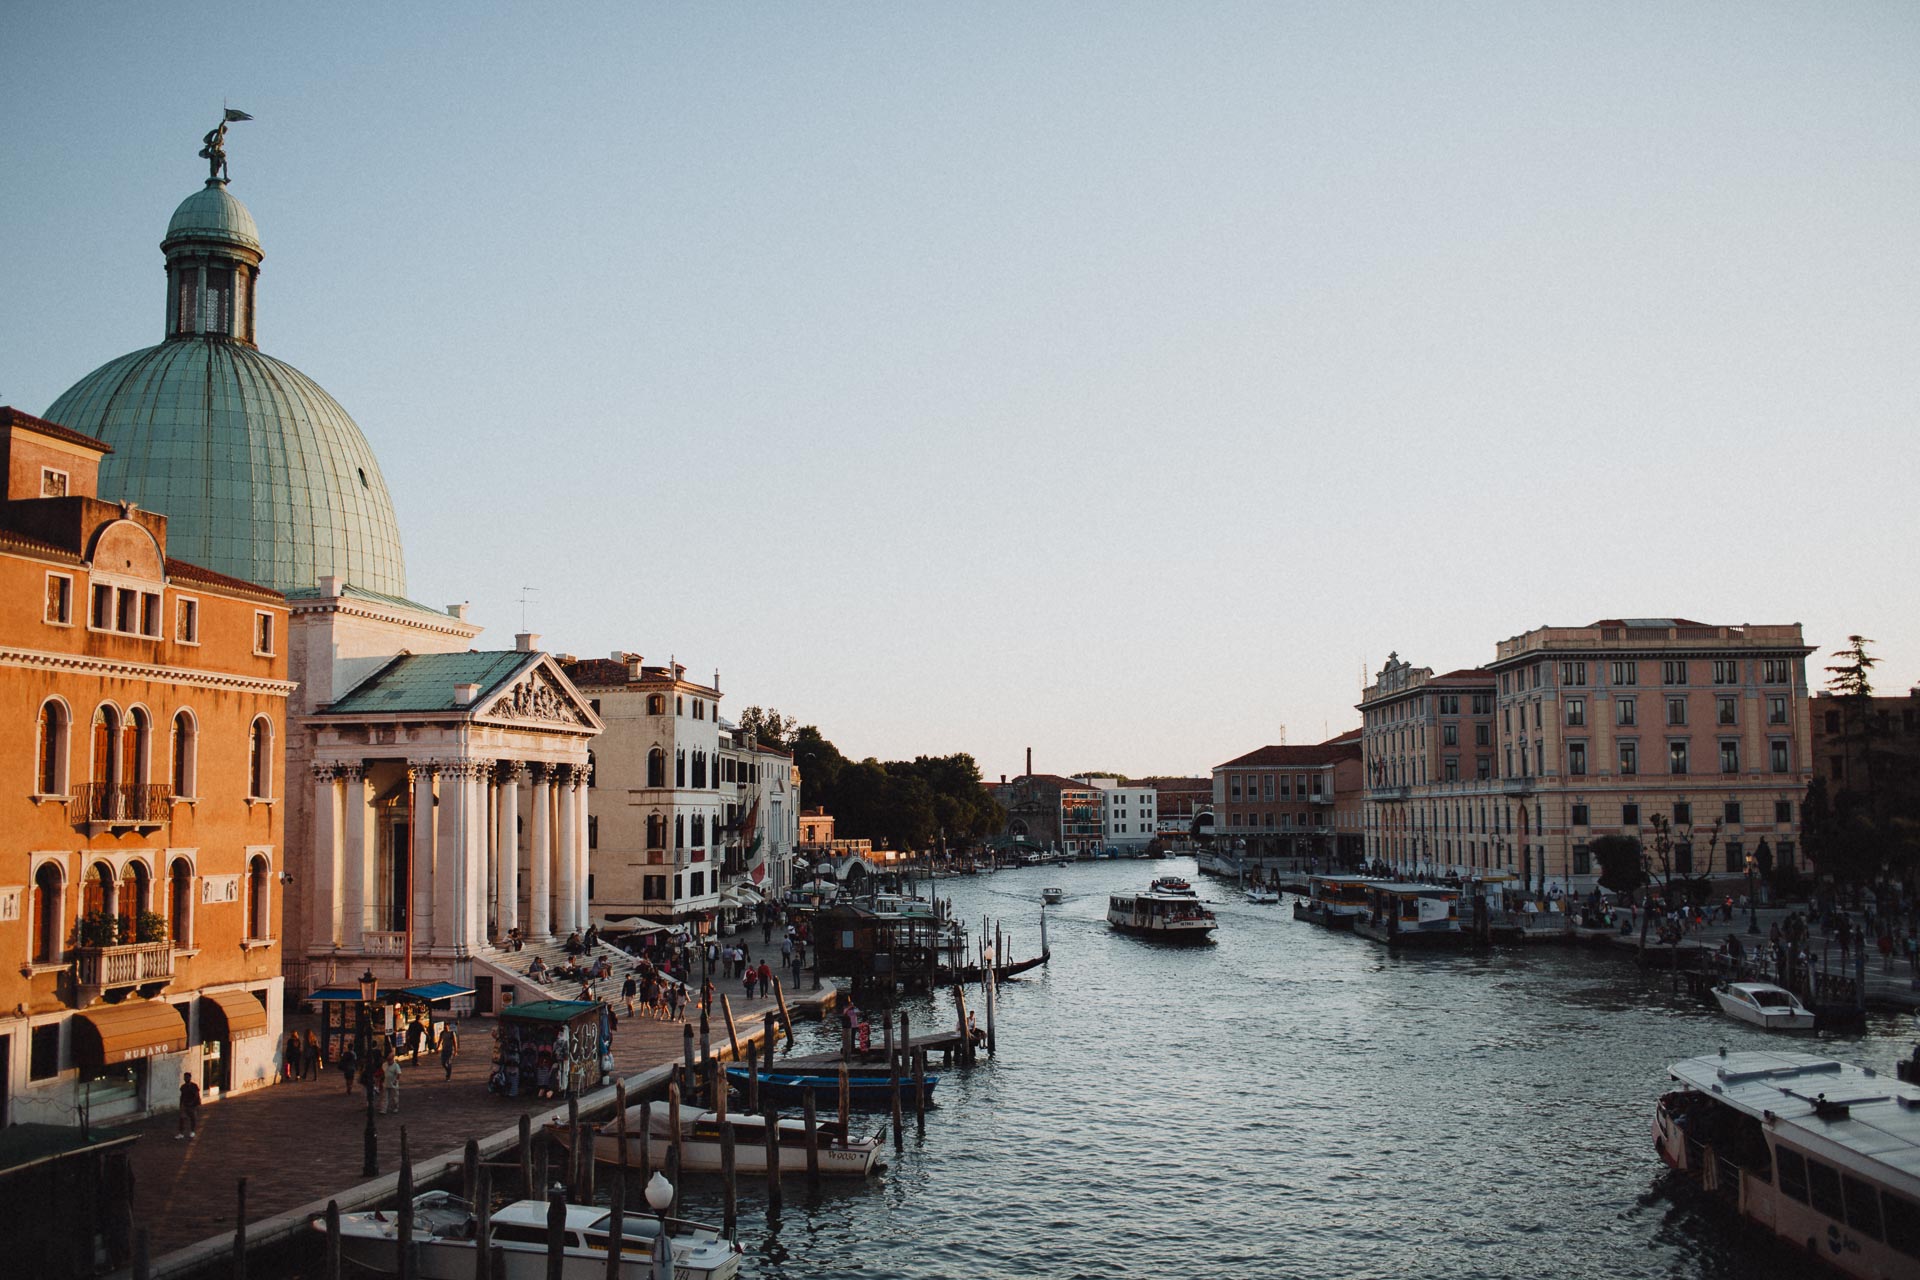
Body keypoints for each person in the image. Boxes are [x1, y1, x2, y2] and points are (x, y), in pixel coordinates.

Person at [177, 1071, 202, 1139]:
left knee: (193, 1118)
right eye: (185, 1077)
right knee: (182, 1118)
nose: (186, 1078)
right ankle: (181, 1133)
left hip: (192, 1105)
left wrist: (196, 1104)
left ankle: (192, 1131)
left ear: (190, 1078)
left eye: (187, 1077)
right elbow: (182, 1096)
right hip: (185, 1105)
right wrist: (181, 1105)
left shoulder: (194, 1086)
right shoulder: (183, 1087)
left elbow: (196, 1096)